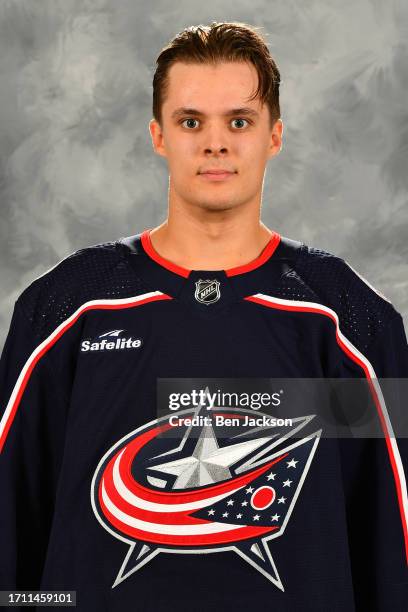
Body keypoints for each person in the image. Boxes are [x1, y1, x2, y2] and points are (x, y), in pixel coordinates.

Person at [0, 20, 407, 612]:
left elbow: (389, 541)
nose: (216, 143)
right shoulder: (66, 309)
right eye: (191, 121)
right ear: (158, 135)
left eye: (239, 121)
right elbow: (12, 530)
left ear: (274, 135)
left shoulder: (349, 321)